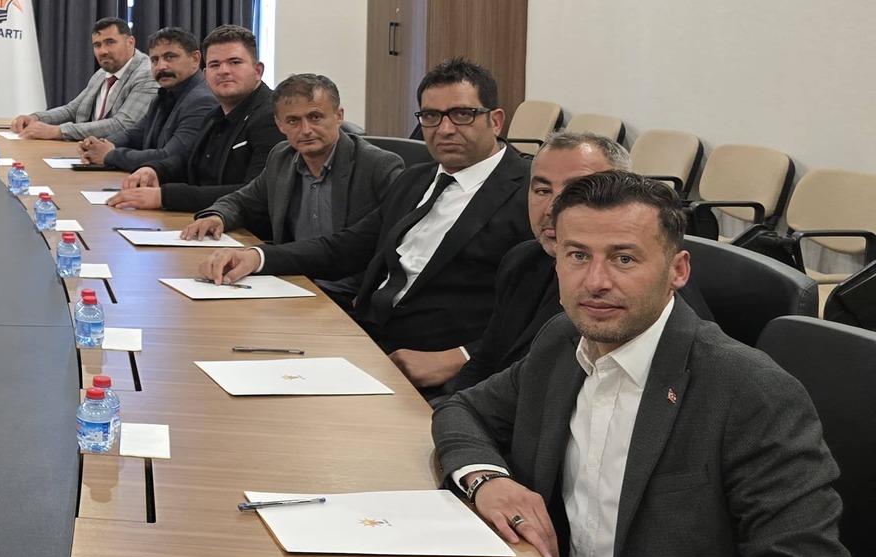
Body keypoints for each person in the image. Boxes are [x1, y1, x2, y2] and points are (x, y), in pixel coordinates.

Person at [432, 173, 857, 557]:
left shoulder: (749, 392)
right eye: (577, 255)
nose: (595, 281)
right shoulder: (564, 341)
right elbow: (463, 410)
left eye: (624, 258)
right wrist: (487, 480)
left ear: (678, 270)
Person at [198, 57, 529, 374]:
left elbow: (543, 308)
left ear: (495, 120)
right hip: (366, 335)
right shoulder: (417, 178)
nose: (444, 129)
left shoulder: (530, 194)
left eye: (462, 114)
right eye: (431, 116)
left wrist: (461, 357)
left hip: (442, 362)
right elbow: (348, 247)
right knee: (228, 349)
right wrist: (256, 258)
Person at [435, 131, 635, 394]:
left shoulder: (625, 289)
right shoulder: (521, 261)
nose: (552, 208)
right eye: (542, 190)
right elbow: (484, 363)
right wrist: (454, 410)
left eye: (576, 191)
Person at [176, 75, 403, 305]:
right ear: (279, 124)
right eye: (293, 120)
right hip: (294, 284)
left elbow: (373, 248)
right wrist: (218, 216)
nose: (306, 130)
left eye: (315, 117)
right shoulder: (282, 157)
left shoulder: (378, 166)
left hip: (352, 298)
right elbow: (244, 200)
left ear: (339, 116)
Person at [111, 25, 280, 210]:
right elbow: (188, 159)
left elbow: (255, 194)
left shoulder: (273, 117)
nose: (223, 71)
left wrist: (165, 197)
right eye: (215, 65)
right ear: (206, 75)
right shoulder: (215, 114)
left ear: (258, 71)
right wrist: (154, 170)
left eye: (234, 62)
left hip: (243, 226)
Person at [76, 28, 216, 173]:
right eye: (155, 60)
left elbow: (168, 158)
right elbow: (135, 134)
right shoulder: (163, 95)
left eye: (170, 57)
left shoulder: (202, 100)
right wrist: (100, 145)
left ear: (195, 59)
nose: (161, 66)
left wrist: (109, 155)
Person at [10, 16, 155, 142]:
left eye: (110, 42)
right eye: (97, 45)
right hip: (86, 151)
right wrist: (36, 118)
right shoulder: (102, 74)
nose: (103, 51)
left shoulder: (148, 74)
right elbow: (72, 110)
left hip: (119, 158)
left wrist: (58, 131)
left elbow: (122, 125)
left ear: (130, 42)